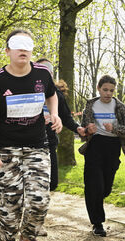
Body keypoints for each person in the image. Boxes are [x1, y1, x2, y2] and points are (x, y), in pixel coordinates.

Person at [0, 29, 62, 241]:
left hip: (36, 147)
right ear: (7, 51)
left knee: (40, 200)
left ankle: (28, 238)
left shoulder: (43, 74)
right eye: (17, 45)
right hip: (6, 150)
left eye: (28, 45)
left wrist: (54, 114)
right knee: (11, 206)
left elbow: (52, 95)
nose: (23, 49)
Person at [80, 75, 125, 237]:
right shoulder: (91, 105)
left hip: (113, 148)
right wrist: (87, 130)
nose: (108, 93)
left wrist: (115, 129)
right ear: (99, 89)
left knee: (105, 188)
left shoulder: (120, 107)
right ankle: (97, 223)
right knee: (94, 186)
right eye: (105, 90)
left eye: (111, 90)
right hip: (95, 146)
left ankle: (101, 196)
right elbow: (83, 129)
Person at [37, 58, 85, 192]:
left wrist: (78, 128)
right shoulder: (28, 91)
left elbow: (66, 118)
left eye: (49, 71)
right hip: (30, 144)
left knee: (52, 184)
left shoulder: (57, 95)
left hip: (49, 142)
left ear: (52, 74)